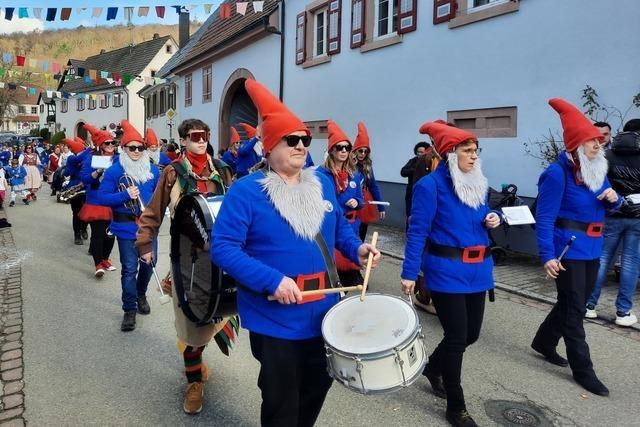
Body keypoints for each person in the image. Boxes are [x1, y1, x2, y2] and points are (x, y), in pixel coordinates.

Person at [211, 79, 380, 427]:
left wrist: (357, 248)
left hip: (323, 312)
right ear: (270, 147)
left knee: (316, 389)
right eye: (292, 140)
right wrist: (272, 281)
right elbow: (223, 249)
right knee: (281, 403)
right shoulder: (246, 191)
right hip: (275, 315)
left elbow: (339, 231)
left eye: (305, 139)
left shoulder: (319, 184)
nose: (302, 145)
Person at [401, 121, 501, 427]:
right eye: (467, 151)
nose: (474, 157)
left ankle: (433, 368)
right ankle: (456, 406)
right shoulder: (429, 186)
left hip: (478, 270)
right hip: (445, 270)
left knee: (471, 334)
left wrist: (493, 218)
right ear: (449, 154)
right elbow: (417, 232)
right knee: (457, 336)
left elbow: (482, 215)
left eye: (475, 150)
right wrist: (409, 273)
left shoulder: (478, 182)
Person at [136, 117, 233, 415]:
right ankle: (194, 382)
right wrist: (144, 243)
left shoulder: (223, 170)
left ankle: (196, 362)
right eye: (195, 136)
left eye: (205, 135)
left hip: (221, 257)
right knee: (192, 323)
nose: (202, 140)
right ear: (184, 140)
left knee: (220, 313)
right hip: (187, 259)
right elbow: (153, 210)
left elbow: (238, 209)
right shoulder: (172, 173)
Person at [531, 98, 621, 397]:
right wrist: (547, 256)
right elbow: (543, 218)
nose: (599, 145)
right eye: (592, 141)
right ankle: (583, 370)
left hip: (593, 248)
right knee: (574, 310)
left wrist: (615, 200)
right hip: (566, 248)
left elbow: (612, 204)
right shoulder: (556, 174)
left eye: (600, 140)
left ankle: (544, 341)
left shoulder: (596, 169)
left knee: (575, 303)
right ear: (576, 145)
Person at [98, 120, 160, 331]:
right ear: (123, 149)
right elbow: (102, 197)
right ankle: (129, 310)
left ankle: (141, 293)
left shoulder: (153, 170)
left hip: (149, 228)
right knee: (129, 270)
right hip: (126, 229)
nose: (136, 151)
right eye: (131, 147)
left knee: (149, 265)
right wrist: (125, 195)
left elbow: (160, 196)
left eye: (140, 147)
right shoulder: (115, 171)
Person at [585, 118, 640, 327]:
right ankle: (623, 312)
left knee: (602, 259)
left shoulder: (606, 155)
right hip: (637, 218)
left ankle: (588, 305)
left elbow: (596, 185)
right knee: (630, 263)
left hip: (611, 215)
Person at [318, 120, 365, 287]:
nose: (344, 151)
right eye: (340, 147)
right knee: (332, 268)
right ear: (331, 150)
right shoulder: (320, 174)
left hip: (351, 226)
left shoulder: (354, 174)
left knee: (350, 270)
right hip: (332, 225)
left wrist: (357, 202)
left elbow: (361, 201)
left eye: (347, 147)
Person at [80, 124, 118, 277]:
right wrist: (97, 172)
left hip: (113, 201)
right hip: (96, 201)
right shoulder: (91, 158)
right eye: (107, 143)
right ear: (100, 145)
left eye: (112, 142)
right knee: (98, 234)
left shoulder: (118, 159)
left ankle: (105, 259)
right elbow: (84, 179)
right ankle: (97, 264)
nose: (110, 145)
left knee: (110, 234)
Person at [352, 121, 385, 241]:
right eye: (360, 151)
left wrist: (381, 206)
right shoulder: (348, 165)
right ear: (355, 150)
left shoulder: (367, 166)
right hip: (350, 203)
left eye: (366, 151)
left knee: (362, 233)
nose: (363, 154)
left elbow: (373, 186)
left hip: (364, 203)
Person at [64, 137, 91, 245]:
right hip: (75, 187)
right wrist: (90, 149)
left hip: (87, 186)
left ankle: (84, 228)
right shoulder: (71, 158)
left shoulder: (88, 156)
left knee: (87, 211)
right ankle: (77, 234)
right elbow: (76, 161)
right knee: (76, 213)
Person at [401, 141, 432, 230]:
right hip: (411, 192)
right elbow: (403, 172)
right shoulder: (413, 161)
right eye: (418, 152)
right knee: (410, 213)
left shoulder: (430, 162)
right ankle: (409, 233)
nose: (419, 154)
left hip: (425, 193)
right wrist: (415, 169)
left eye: (422, 152)